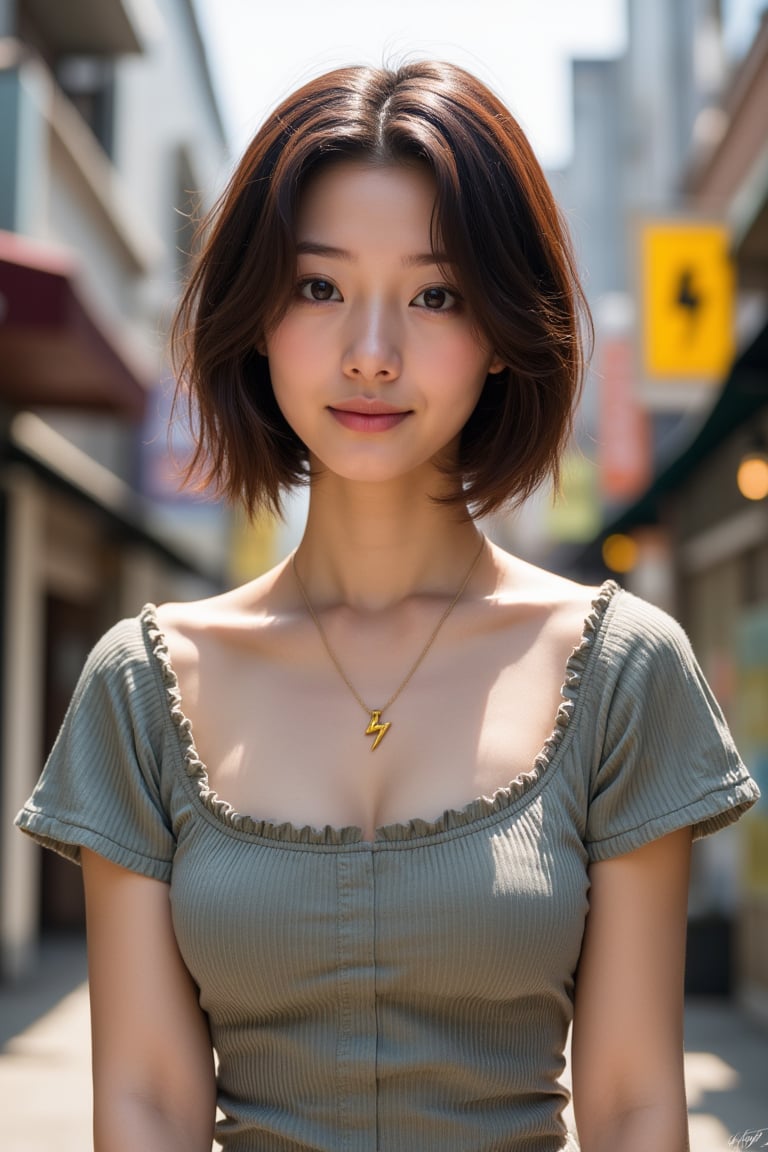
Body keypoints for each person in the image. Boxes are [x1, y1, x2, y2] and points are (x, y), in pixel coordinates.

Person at [16, 61, 759, 1152]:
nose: (372, 351)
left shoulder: (621, 667)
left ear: (504, 329)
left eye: (436, 294)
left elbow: (635, 1102)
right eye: (319, 287)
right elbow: (146, 1104)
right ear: (256, 318)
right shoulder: (143, 682)